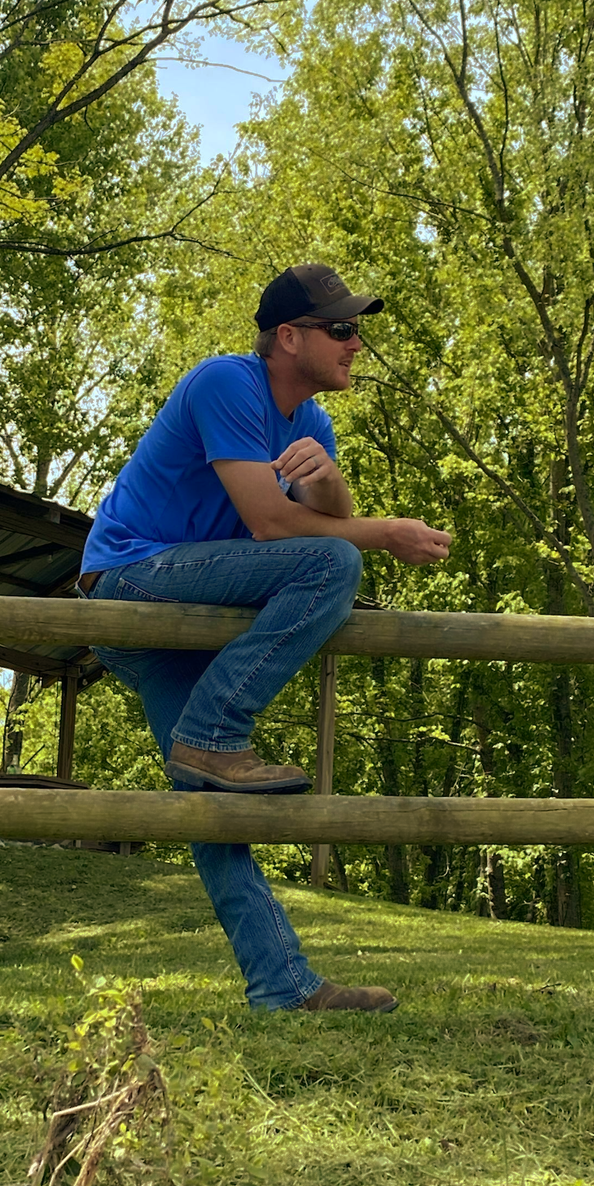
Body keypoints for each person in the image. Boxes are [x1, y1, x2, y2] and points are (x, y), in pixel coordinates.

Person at [77, 263, 452, 1013]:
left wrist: (329, 482)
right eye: (341, 329)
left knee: (208, 803)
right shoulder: (226, 382)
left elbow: (324, 516)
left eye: (356, 329)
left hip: (186, 615)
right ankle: (214, 731)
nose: (356, 343)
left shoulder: (312, 423)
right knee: (332, 564)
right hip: (129, 578)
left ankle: (282, 985)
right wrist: (385, 532)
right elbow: (273, 524)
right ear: (288, 337)